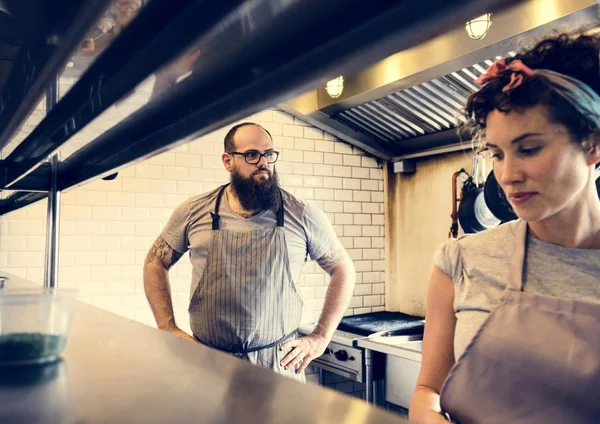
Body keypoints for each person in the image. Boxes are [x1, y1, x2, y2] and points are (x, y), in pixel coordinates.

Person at [410, 33, 600, 423]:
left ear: (593, 145)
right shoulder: (461, 259)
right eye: (497, 154)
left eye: (528, 149)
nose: (507, 175)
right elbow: (428, 390)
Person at [143, 122, 356, 382]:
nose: (263, 163)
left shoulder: (300, 214)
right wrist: (167, 328)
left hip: (277, 367)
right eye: (252, 155)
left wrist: (321, 337)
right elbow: (155, 262)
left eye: (268, 154)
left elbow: (343, 269)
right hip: (208, 364)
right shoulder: (194, 211)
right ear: (228, 161)